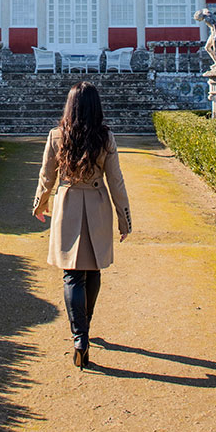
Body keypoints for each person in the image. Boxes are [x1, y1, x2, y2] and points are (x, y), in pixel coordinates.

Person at [33, 81, 132, 370]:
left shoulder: (56, 136)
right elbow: (116, 181)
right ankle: (85, 324)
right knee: (93, 270)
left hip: (68, 204)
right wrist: (125, 218)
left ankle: (79, 337)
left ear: (70, 107)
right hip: (98, 205)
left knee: (71, 276)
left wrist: (39, 205)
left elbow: (45, 176)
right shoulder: (105, 137)